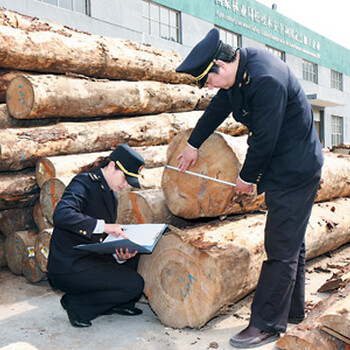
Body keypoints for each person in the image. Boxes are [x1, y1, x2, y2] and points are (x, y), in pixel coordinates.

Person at [176, 28, 324, 348]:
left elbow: (265, 140)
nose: (210, 87)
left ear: (220, 65)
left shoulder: (264, 78)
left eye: (210, 80)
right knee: (290, 243)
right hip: (285, 164)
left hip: (295, 169)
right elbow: (218, 109)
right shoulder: (239, 71)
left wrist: (247, 177)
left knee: (279, 247)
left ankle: (267, 323)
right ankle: (292, 311)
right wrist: (192, 144)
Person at [47, 144, 146, 328]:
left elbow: (100, 239)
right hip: (69, 263)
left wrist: (119, 257)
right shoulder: (84, 182)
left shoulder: (111, 192)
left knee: (133, 253)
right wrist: (103, 226)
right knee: (134, 285)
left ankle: (119, 304)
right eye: (125, 178)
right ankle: (77, 305)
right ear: (111, 166)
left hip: (89, 257)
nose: (125, 185)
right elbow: (61, 214)